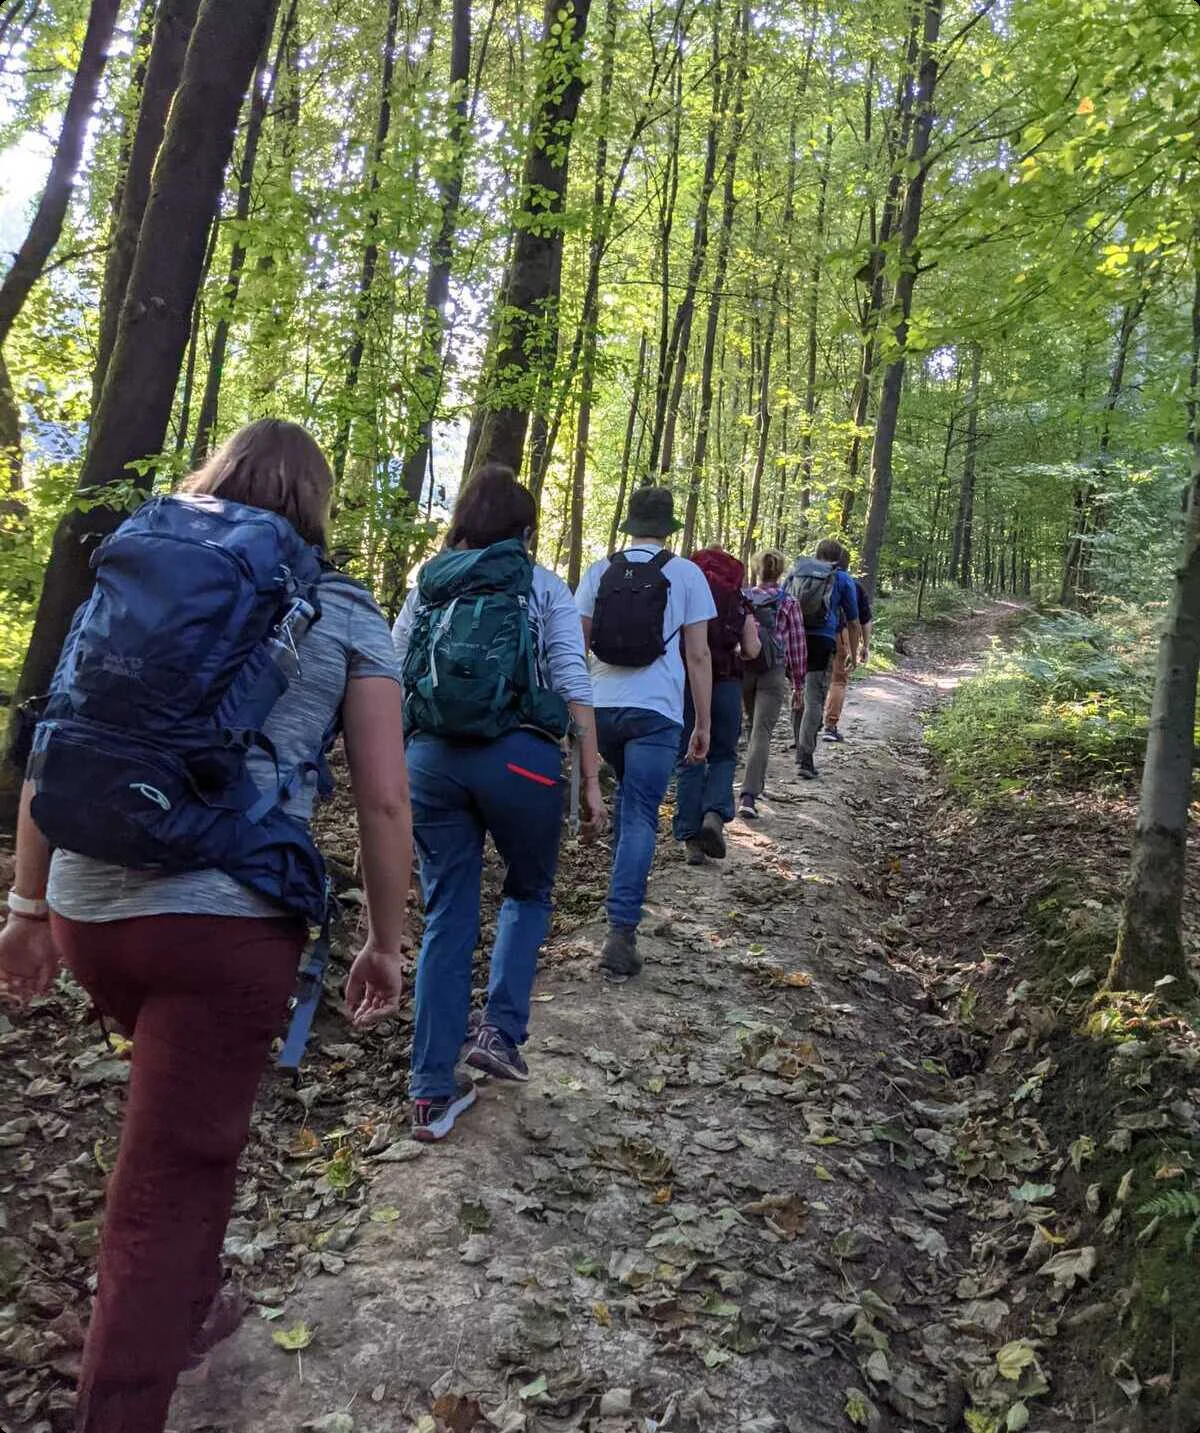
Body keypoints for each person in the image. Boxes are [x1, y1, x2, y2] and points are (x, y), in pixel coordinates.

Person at [0, 419, 413, 1433]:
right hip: (221, 927)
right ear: (316, 504)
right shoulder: (345, 607)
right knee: (169, 1179)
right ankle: (120, 1406)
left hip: (90, 904)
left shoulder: (138, 568)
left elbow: (63, 728)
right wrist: (386, 938)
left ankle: (188, 1309)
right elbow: (384, 801)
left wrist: (26, 901)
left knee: (187, 1134)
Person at [393, 463, 604, 1142]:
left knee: (446, 911)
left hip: (430, 760)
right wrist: (591, 780)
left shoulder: (428, 585)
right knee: (528, 889)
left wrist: (396, 770)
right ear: (524, 529)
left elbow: (394, 675)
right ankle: (502, 1031)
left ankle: (430, 1092)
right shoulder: (542, 586)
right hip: (523, 759)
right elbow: (573, 681)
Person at [576, 487, 715, 980]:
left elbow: (577, 644)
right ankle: (621, 930)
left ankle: (620, 900)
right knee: (638, 814)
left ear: (631, 525)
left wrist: (575, 714)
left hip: (601, 708)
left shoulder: (599, 571)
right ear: (669, 526)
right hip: (656, 711)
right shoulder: (686, 573)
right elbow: (698, 655)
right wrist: (703, 721)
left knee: (627, 811)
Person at [673, 547, 761, 865]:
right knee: (723, 754)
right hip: (726, 684)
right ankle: (713, 814)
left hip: (686, 686)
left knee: (689, 757)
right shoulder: (739, 601)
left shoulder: (682, 594)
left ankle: (690, 838)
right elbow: (752, 649)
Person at [739, 549, 807, 819]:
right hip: (773, 672)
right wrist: (799, 685)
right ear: (780, 572)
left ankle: (747, 784)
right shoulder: (789, 602)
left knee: (749, 725)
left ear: (756, 569)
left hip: (743, 667)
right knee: (761, 732)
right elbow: (798, 645)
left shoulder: (742, 598)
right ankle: (748, 794)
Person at [791, 537, 862, 780]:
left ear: (817, 553)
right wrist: (853, 652)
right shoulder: (841, 578)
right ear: (838, 557)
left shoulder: (797, 572)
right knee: (814, 699)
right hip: (822, 640)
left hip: (796, 639)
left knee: (798, 692)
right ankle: (805, 757)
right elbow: (853, 621)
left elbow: (781, 604)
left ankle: (798, 744)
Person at [823, 551, 873, 743]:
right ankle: (830, 725)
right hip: (840, 634)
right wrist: (863, 647)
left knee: (812, 679)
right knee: (838, 681)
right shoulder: (853, 585)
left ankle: (803, 728)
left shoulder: (816, 581)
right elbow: (863, 621)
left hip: (815, 634)